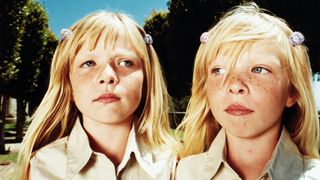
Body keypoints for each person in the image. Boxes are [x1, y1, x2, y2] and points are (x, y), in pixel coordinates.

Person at [15, 11, 176, 180]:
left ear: (147, 81)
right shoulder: (43, 166)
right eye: (88, 63)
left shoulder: (171, 165)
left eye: (125, 62)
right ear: (68, 85)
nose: (107, 76)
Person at [176, 2, 320, 180]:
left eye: (258, 69)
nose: (235, 85)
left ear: (292, 92)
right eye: (218, 70)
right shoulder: (182, 172)